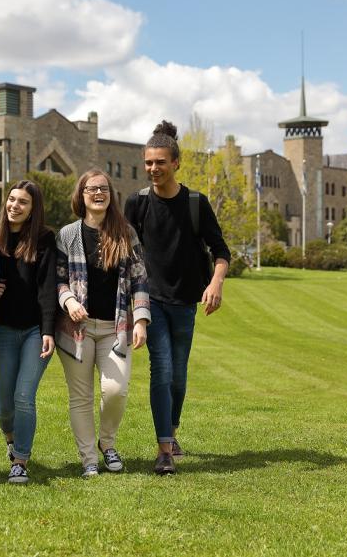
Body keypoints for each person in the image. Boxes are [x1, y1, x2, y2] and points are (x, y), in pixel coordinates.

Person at [124, 120, 231, 476]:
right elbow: (123, 251)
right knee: (162, 370)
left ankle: (172, 432)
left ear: (176, 163)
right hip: (149, 300)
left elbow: (221, 251)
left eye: (161, 162)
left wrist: (215, 283)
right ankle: (164, 450)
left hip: (185, 302)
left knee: (179, 378)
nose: (154, 169)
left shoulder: (196, 204)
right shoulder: (136, 203)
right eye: (149, 163)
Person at [55, 169, 151, 478]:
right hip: (76, 331)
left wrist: (140, 320)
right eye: (92, 189)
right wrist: (69, 301)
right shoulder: (68, 235)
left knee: (115, 391)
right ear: (80, 195)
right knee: (80, 397)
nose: (99, 193)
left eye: (104, 189)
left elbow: (139, 280)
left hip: (116, 327)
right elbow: (57, 281)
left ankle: (107, 444)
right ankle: (89, 460)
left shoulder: (125, 233)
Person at [0, 180, 57, 484]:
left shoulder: (44, 240)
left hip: (33, 331)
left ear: (33, 209)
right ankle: (11, 442)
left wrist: (48, 330)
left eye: (23, 202)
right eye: (12, 200)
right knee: (4, 404)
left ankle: (20, 461)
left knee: (23, 396)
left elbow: (47, 289)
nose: (14, 206)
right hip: (1, 331)